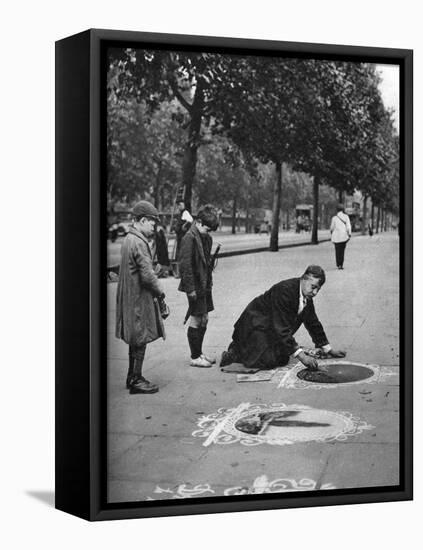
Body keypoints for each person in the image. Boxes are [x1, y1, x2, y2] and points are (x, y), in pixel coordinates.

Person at [220, 265, 346, 373]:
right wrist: (302, 356)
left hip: (269, 328)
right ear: (303, 279)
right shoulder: (285, 291)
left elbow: (313, 323)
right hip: (253, 326)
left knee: (282, 358)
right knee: (268, 361)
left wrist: (328, 349)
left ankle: (250, 349)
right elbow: (281, 328)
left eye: (318, 289)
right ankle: (236, 351)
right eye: (313, 287)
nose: (315, 292)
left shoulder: (305, 295)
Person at [115, 200, 169, 394]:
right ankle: (136, 379)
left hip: (130, 297)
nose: (154, 226)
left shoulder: (129, 239)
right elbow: (147, 276)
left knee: (135, 339)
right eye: (152, 222)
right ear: (143, 220)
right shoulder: (139, 242)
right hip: (138, 299)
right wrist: (161, 292)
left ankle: (132, 376)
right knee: (141, 338)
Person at [178, 204, 219, 368]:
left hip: (205, 284)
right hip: (195, 286)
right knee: (196, 319)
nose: (209, 233)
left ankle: (199, 353)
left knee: (204, 319)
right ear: (199, 222)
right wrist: (191, 290)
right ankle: (195, 357)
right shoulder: (189, 238)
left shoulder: (206, 238)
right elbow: (185, 267)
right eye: (207, 229)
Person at [330, 204, 351, 269]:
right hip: (344, 236)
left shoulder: (334, 218)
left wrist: (331, 233)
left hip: (336, 237)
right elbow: (348, 226)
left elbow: (332, 228)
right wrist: (349, 234)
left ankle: (338, 263)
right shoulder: (346, 217)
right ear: (343, 210)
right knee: (342, 251)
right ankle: (341, 264)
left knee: (337, 250)